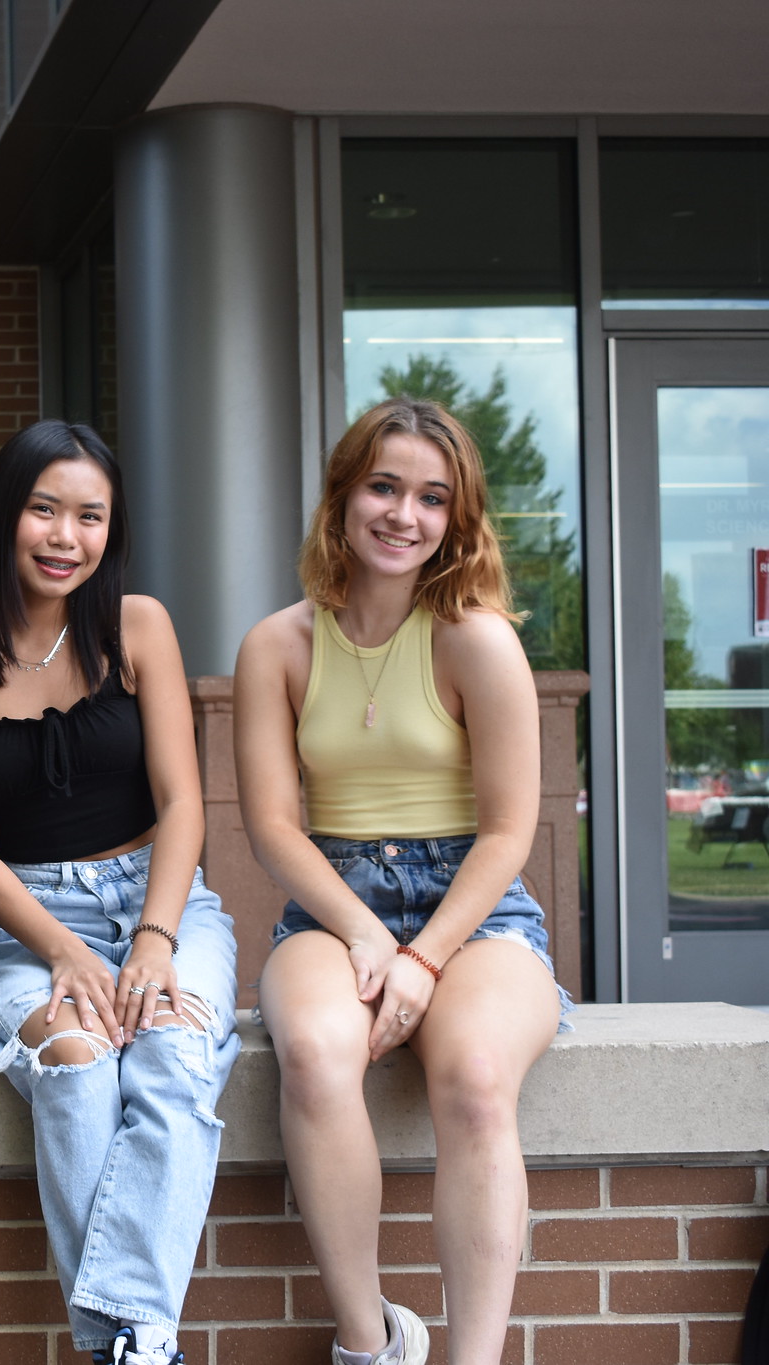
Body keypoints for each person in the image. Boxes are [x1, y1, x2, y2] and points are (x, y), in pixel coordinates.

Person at [235, 397, 572, 1365]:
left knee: (469, 1077)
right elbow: (269, 825)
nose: (402, 515)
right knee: (311, 1047)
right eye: (382, 487)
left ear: (453, 520)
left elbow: (508, 832)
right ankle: (368, 1342)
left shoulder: (475, 638)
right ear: (340, 498)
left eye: (430, 498)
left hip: (473, 903)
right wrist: (362, 932)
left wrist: (422, 953)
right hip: (330, 895)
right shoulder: (277, 645)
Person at [0, 420, 239, 1365]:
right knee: (82, 1061)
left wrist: (157, 938)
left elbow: (183, 802)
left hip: (158, 898)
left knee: (172, 1049)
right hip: (24, 918)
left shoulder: (139, 626)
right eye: (44, 509)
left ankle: (120, 1343)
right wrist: (59, 945)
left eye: (90, 516)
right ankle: (142, 1343)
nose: (65, 536)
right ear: (5, 516)